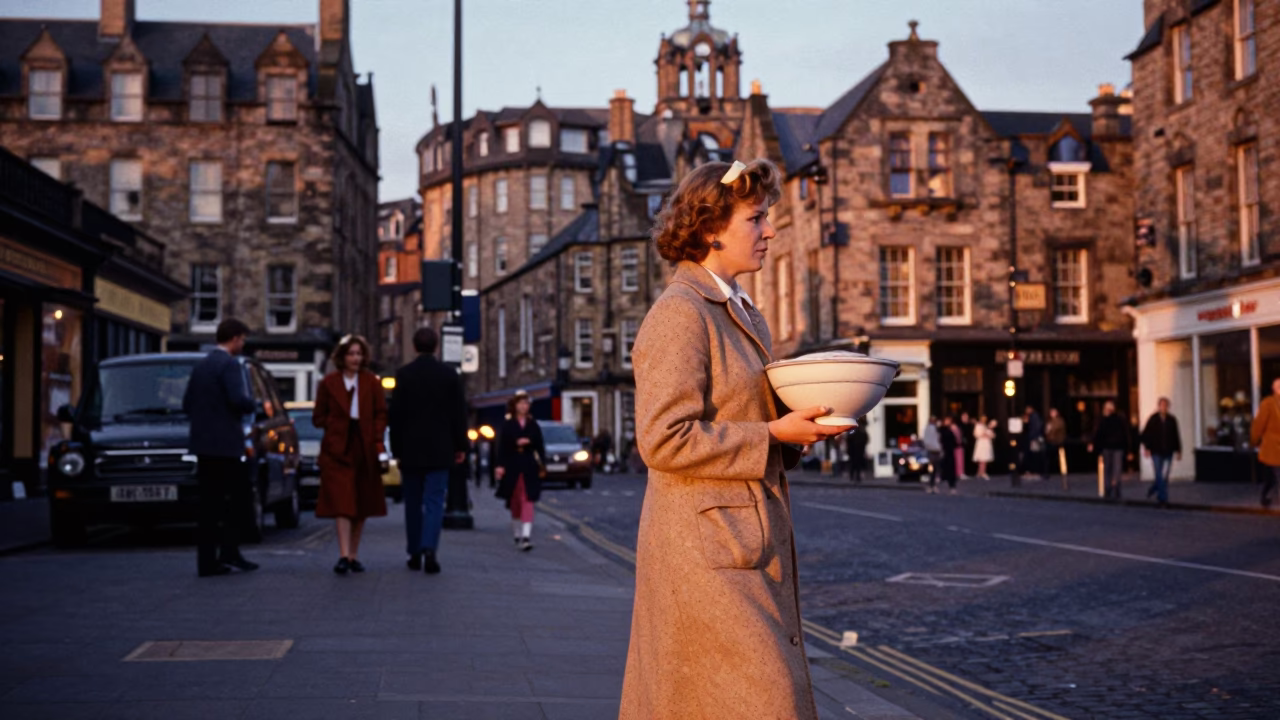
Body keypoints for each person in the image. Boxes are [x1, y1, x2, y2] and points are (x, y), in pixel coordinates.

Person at [621, 159, 849, 720]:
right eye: (757, 217)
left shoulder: (743, 312)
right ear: (709, 228)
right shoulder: (679, 313)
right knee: (767, 699)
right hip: (704, 550)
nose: (770, 230)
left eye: (767, 216)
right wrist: (772, 432)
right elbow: (662, 439)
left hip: (742, 543)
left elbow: (744, 416)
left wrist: (797, 433)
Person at [183, 319, 259, 578]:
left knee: (208, 507)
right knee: (234, 503)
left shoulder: (201, 365)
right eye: (243, 339)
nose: (243, 344)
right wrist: (253, 405)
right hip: (227, 446)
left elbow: (187, 403)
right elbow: (238, 400)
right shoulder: (230, 365)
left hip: (203, 446)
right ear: (235, 338)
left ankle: (206, 562)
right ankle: (229, 552)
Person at [389, 327, 468, 574]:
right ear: (437, 347)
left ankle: (414, 552)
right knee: (435, 501)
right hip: (440, 448)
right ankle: (430, 548)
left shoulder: (404, 375)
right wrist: (460, 446)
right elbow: (459, 414)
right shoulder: (449, 375)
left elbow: (396, 415)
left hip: (411, 449)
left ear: (414, 346)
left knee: (413, 502)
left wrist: (397, 448)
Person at [313, 335, 388, 574]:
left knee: (361, 503)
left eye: (359, 354)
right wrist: (336, 427)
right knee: (343, 502)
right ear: (342, 357)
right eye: (351, 354)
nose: (356, 358)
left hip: (364, 446)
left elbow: (381, 413)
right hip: (338, 448)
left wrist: (376, 436)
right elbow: (318, 417)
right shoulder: (328, 383)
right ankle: (343, 554)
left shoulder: (372, 383)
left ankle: (353, 555)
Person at [494, 390, 546, 550]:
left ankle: (526, 537)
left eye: (526, 403)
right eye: (521, 403)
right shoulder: (508, 424)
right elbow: (502, 447)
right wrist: (500, 466)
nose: (524, 406)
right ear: (515, 405)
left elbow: (540, 446)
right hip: (512, 466)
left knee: (528, 499)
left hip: (529, 466)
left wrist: (542, 464)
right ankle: (517, 534)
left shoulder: (533, 424)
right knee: (515, 502)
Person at [1140, 397, 1182, 507]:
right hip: (1156, 451)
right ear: (1159, 406)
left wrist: (1178, 450)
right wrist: (1147, 448)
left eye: (1166, 405)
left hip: (1168, 451)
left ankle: (1155, 488)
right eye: (1162, 405)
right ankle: (1163, 499)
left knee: (1165, 475)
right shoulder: (1153, 419)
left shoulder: (1172, 420)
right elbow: (1146, 434)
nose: (1164, 407)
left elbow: (1176, 435)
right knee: (1159, 473)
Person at [1088, 400, 1129, 501]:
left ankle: (1112, 488)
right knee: (1112, 469)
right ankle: (1112, 488)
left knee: (1112, 469)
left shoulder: (1112, 419)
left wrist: (1093, 443)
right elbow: (1097, 432)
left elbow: (1098, 432)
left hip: (1112, 446)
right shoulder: (1106, 419)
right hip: (1111, 447)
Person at [1249, 378, 1280, 508]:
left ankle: (1265, 496)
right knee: (1275, 474)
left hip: (1272, 445)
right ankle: (1267, 496)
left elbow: (1259, 424)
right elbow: (1259, 424)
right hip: (1273, 446)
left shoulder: (1267, 403)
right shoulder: (1268, 403)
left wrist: (1254, 440)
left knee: (1273, 474)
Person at [1045, 407, 1068, 485]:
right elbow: (1047, 431)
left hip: (1057, 442)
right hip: (1051, 442)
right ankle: (1048, 473)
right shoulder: (1050, 421)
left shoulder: (1059, 421)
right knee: (1049, 458)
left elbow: (1056, 430)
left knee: (1058, 458)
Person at [1022, 406, 1046, 480]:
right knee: (1033, 455)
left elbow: (1036, 428)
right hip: (1032, 438)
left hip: (1034, 439)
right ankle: (1032, 471)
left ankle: (1035, 472)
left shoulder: (1034, 416)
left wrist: (1033, 438)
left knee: (1034, 455)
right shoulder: (1031, 417)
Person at [939, 416, 959, 494]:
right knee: (944, 468)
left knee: (951, 469)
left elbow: (954, 441)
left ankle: (951, 485)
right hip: (944, 451)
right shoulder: (942, 430)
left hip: (950, 452)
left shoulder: (949, 430)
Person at [922, 416, 943, 493]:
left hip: (932, 450)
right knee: (935, 468)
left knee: (933, 469)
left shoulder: (928, 429)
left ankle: (932, 485)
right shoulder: (934, 429)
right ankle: (933, 485)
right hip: (935, 450)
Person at [846, 418, 869, 483]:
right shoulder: (855, 432)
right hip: (855, 451)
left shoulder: (860, 432)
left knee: (856, 464)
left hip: (858, 451)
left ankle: (855, 476)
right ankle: (854, 476)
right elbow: (849, 440)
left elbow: (866, 440)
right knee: (854, 464)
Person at [972, 416, 995, 480]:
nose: (984, 420)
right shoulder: (978, 426)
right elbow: (976, 434)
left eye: (985, 419)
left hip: (986, 444)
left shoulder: (986, 426)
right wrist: (984, 434)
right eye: (982, 419)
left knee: (985, 458)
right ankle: (982, 472)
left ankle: (981, 472)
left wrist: (989, 433)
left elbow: (992, 435)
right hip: (981, 443)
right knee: (982, 458)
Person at [959, 412, 976, 478]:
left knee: (969, 457)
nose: (965, 418)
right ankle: (963, 472)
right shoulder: (960, 425)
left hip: (970, 443)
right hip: (963, 444)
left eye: (966, 417)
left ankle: (969, 472)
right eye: (964, 417)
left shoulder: (970, 425)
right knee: (964, 458)